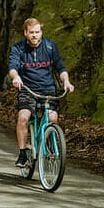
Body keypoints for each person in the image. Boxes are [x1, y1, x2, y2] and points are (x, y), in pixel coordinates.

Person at [8, 17, 74, 167]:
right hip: (27, 90)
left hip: (48, 90)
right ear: (25, 33)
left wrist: (66, 82)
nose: (35, 35)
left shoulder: (50, 47)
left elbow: (61, 68)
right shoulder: (18, 48)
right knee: (23, 117)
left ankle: (49, 145)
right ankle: (23, 153)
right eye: (31, 32)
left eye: (37, 32)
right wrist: (16, 77)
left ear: (41, 32)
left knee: (52, 118)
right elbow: (13, 67)